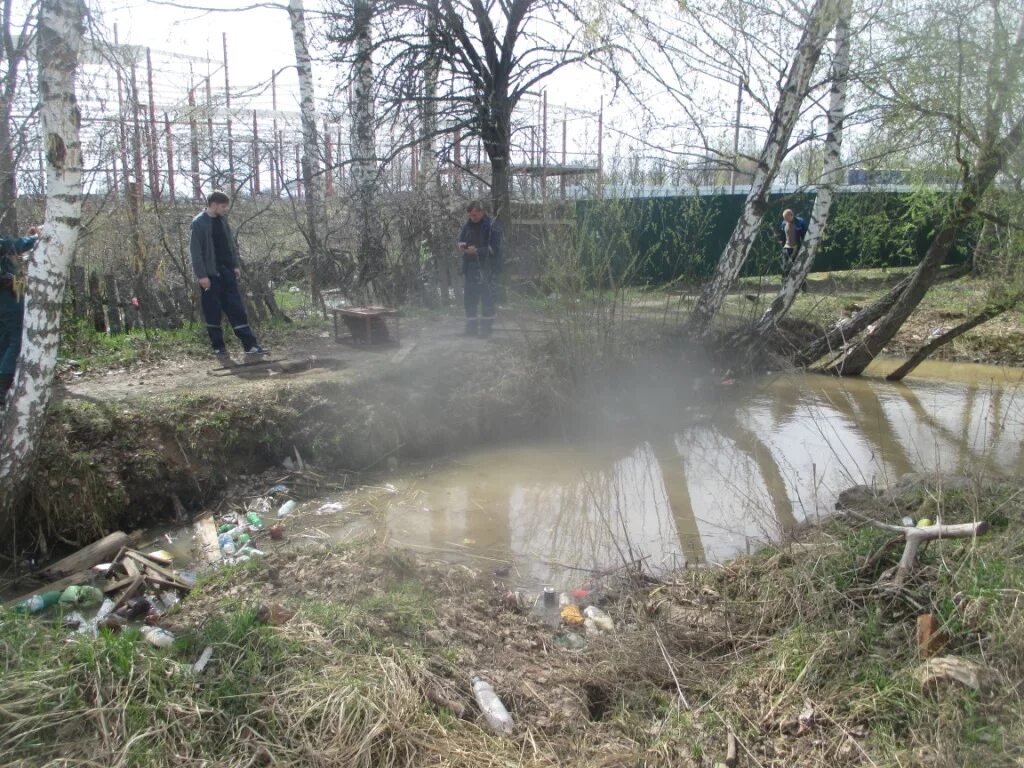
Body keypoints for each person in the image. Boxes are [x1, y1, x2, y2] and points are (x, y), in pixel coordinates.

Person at [189, 191, 267, 356]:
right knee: (213, 311)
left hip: (227, 271)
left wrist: (235, 265)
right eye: (223, 206)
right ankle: (219, 347)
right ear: (214, 204)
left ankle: (250, 345)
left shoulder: (222, 220)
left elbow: (229, 244)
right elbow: (195, 252)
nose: (225, 209)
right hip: (210, 275)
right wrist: (202, 275)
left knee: (236, 308)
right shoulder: (199, 223)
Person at [0, 225, 41, 409]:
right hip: (5, 296)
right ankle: (5, 386)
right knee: (17, 337)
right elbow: (12, 245)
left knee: (5, 339)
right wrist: (36, 238)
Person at [456, 200, 502, 338]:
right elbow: (461, 241)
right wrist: (462, 247)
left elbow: (495, 249)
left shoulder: (492, 227)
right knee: (469, 298)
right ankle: (471, 329)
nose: (472, 218)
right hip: (470, 267)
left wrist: (477, 251)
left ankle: (486, 330)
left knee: (487, 298)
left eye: (475, 215)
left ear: (482, 212)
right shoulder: (467, 226)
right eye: (470, 215)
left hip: (486, 267)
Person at [777, 208, 808, 291]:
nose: (785, 220)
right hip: (786, 249)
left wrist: (804, 248)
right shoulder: (784, 223)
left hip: (797, 249)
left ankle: (802, 287)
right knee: (785, 268)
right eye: (784, 218)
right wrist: (782, 245)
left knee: (799, 268)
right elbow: (782, 236)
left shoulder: (800, 222)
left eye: (787, 218)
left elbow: (805, 235)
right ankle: (784, 287)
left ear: (791, 215)